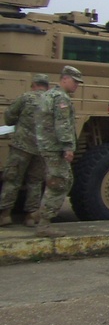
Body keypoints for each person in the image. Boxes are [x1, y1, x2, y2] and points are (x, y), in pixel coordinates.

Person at [34, 66, 84, 237]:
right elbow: (62, 125)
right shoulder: (61, 98)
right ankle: (44, 224)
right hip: (55, 147)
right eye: (75, 81)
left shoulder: (47, 95)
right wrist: (68, 147)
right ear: (64, 79)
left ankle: (40, 215)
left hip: (46, 145)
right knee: (59, 182)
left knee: (59, 180)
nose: (76, 85)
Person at [0, 74, 51, 227]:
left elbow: (9, 118)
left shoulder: (25, 98)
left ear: (33, 84)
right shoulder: (52, 101)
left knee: (12, 179)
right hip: (42, 148)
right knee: (35, 182)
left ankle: (5, 214)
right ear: (47, 87)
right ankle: (31, 216)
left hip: (21, 147)